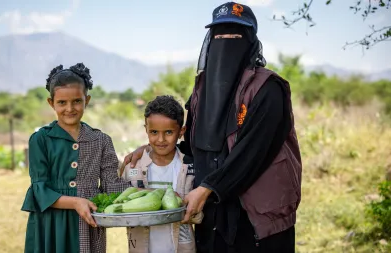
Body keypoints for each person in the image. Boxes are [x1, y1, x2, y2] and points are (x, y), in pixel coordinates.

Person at [121, 2, 302, 253]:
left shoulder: (268, 89)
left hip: (257, 218)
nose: (226, 43)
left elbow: (253, 153)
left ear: (250, 41)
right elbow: (193, 143)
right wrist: (151, 150)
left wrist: (209, 188)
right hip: (212, 215)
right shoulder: (202, 91)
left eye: (235, 36)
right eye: (220, 35)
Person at [21, 63, 130, 253]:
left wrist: (149, 189)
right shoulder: (41, 139)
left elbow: (111, 186)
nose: (69, 108)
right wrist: (76, 202)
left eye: (77, 101)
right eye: (62, 102)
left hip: (87, 222)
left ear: (86, 100)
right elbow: (40, 190)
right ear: (51, 102)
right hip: (51, 223)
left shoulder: (101, 140)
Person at [120, 95, 203, 253]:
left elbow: (200, 215)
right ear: (146, 130)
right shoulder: (133, 168)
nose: (161, 139)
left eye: (169, 132)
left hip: (181, 247)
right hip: (141, 247)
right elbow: (121, 204)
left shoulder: (190, 168)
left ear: (181, 131)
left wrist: (184, 205)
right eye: (154, 132)